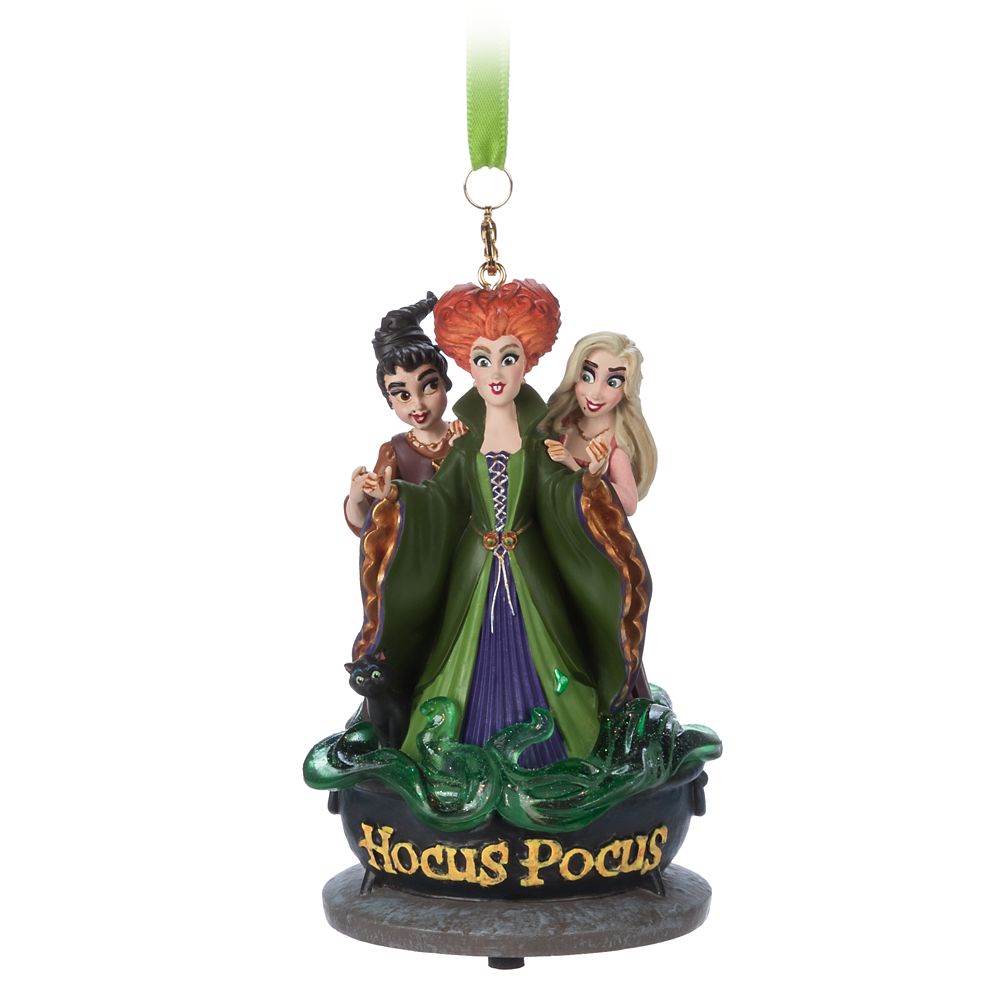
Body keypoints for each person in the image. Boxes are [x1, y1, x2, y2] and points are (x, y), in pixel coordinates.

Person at [355, 280, 652, 764]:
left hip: (529, 570)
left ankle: (554, 747)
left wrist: (584, 483)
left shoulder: (539, 437)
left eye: (508, 358)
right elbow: (441, 498)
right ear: (466, 366)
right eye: (482, 360)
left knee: (549, 648)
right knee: (458, 655)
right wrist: (398, 496)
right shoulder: (466, 441)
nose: (495, 374)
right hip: (473, 572)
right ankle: (458, 745)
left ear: (527, 363)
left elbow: (556, 493)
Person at [343, 292, 465, 535]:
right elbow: (370, 524)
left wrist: (466, 452)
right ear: (389, 399)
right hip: (424, 546)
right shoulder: (395, 452)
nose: (418, 404)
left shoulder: (465, 433)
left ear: (445, 382)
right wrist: (358, 499)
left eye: (429, 386)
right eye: (403, 395)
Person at [541, 332, 657, 516]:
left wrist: (585, 472)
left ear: (626, 389)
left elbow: (629, 504)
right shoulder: (562, 423)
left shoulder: (616, 446)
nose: (595, 393)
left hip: (586, 527)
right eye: (587, 377)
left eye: (612, 382)